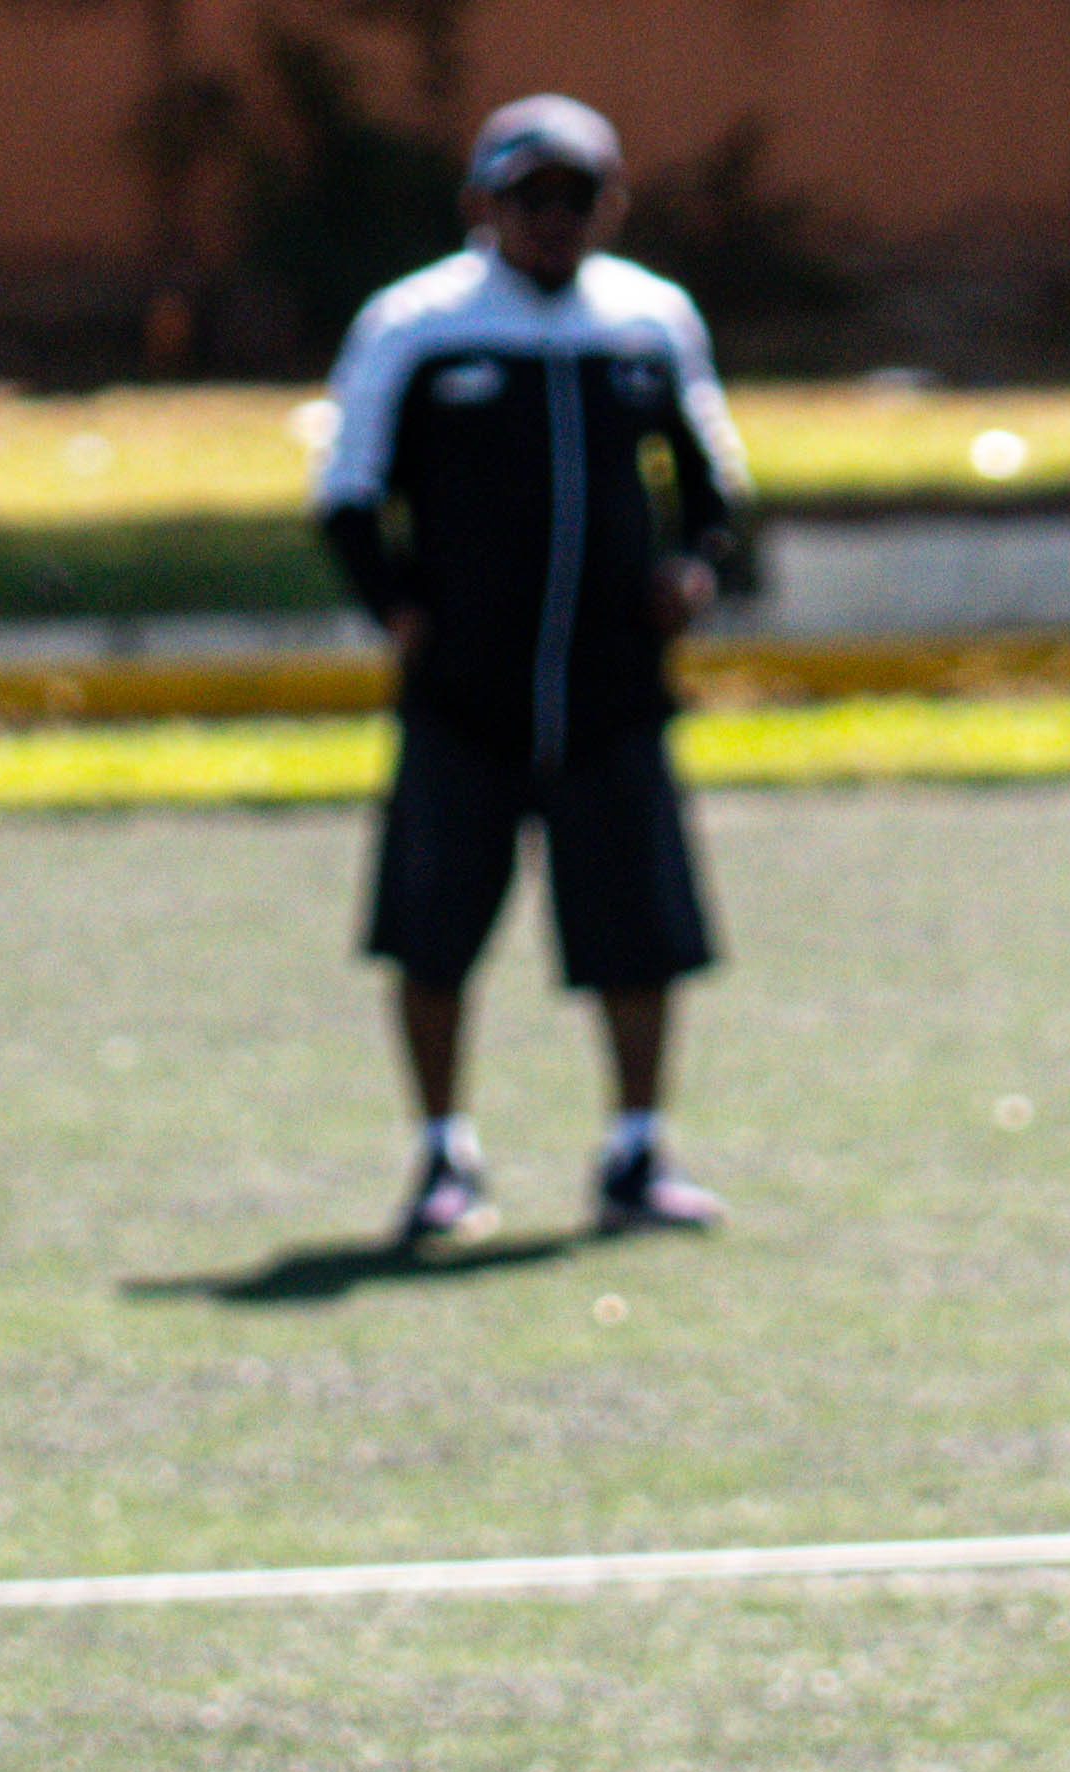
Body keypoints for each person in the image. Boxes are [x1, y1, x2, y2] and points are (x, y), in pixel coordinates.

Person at [315, 91, 749, 1252]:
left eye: (575, 197)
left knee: (642, 933)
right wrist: (399, 615)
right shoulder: (419, 323)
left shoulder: (648, 321)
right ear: (482, 207)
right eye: (529, 198)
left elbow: (714, 490)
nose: (552, 221)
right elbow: (348, 491)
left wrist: (693, 574)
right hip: (466, 696)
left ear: (612, 205)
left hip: (611, 692)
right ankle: (442, 1152)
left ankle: (636, 1148)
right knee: (432, 932)